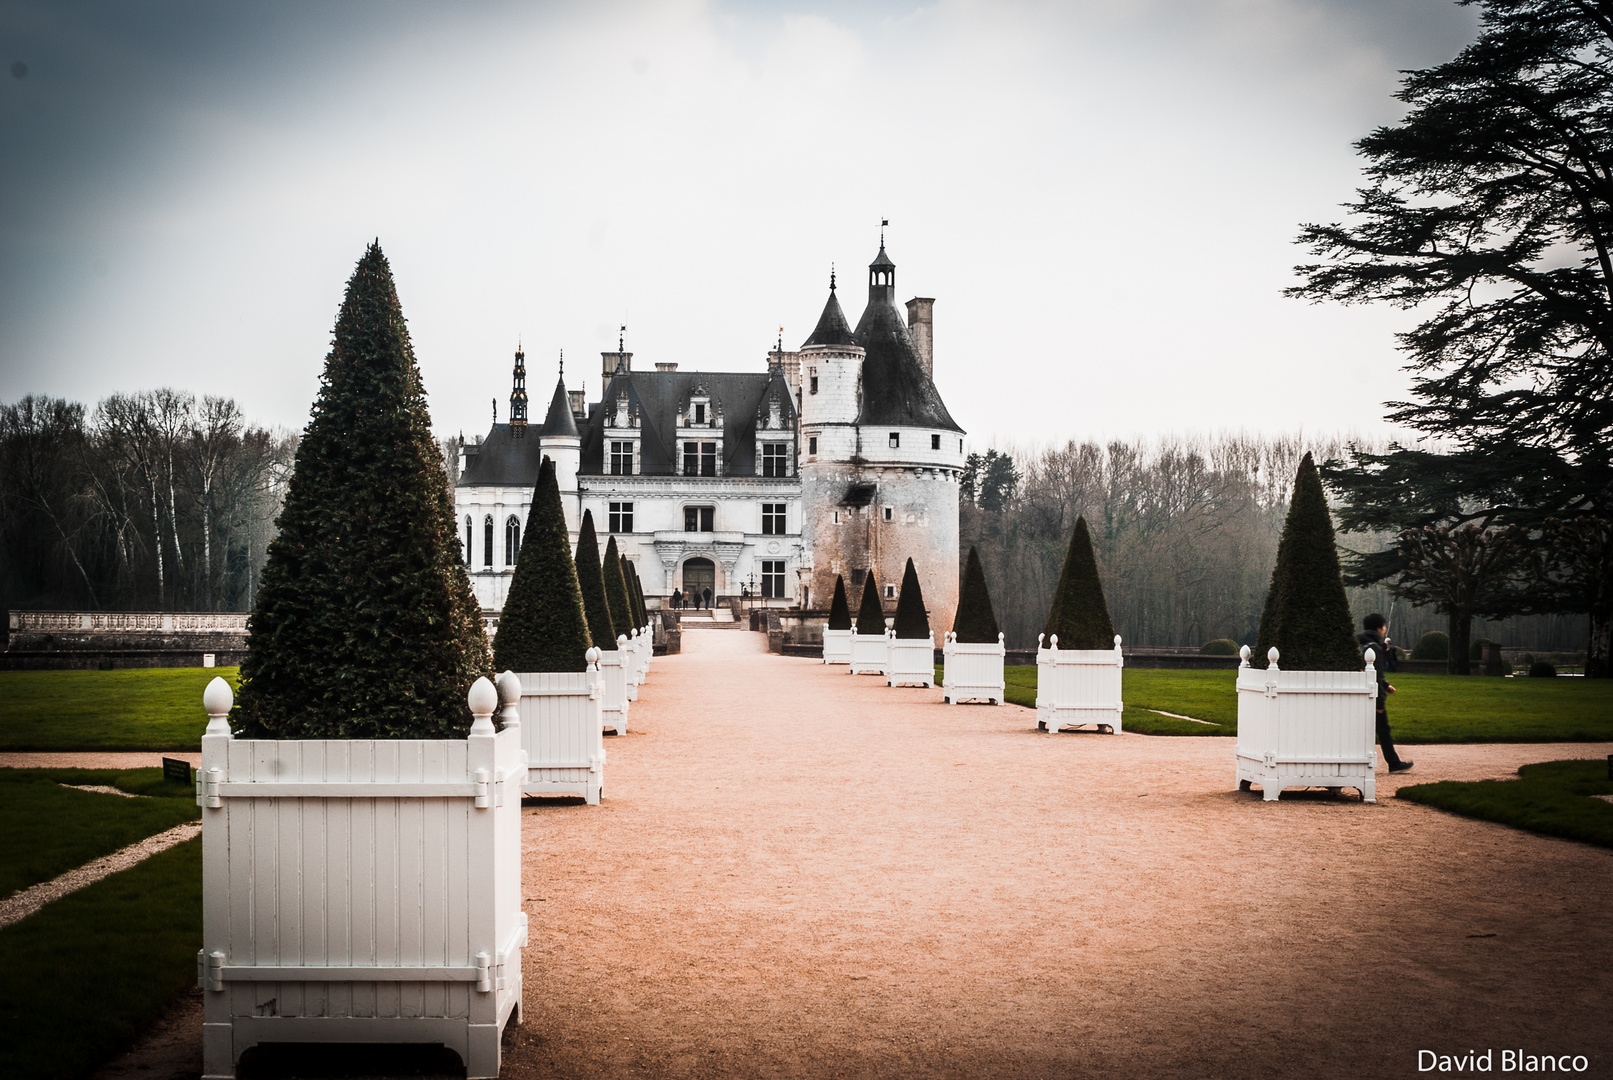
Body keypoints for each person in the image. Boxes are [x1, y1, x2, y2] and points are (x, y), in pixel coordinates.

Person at [1359, 614, 1413, 773]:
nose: (1384, 630)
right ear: (1378, 628)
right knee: (1383, 731)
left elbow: (1368, 673)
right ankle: (1394, 763)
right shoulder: (1374, 648)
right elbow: (1376, 676)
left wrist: (1386, 685)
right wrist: (1380, 703)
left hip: (1360, 694)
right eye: (1384, 627)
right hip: (1373, 697)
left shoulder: (1360, 645)